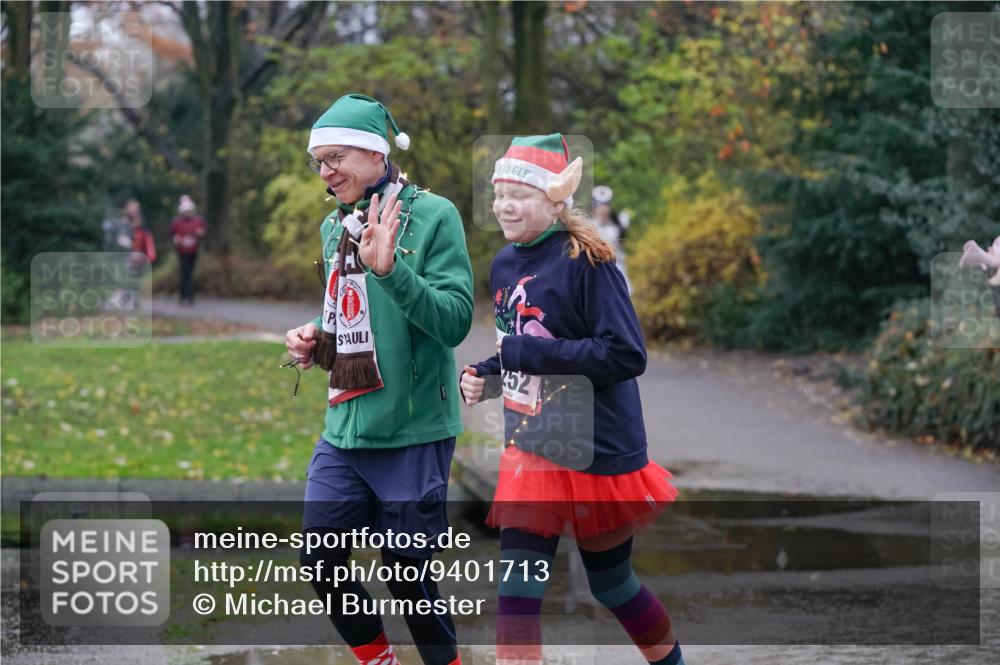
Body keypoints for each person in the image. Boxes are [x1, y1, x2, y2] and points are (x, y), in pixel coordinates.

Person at [460, 135, 684, 665]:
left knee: (613, 587)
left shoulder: (590, 261)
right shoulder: (503, 264)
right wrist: (488, 374)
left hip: (594, 445)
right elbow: (522, 350)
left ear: (555, 202)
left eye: (521, 194)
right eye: (499, 194)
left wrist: (525, 356)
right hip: (534, 446)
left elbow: (626, 355)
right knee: (517, 597)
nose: (505, 205)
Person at [285, 94, 474, 665]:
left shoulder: (436, 216)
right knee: (320, 561)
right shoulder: (332, 225)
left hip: (413, 432)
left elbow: (454, 321)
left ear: (374, 153)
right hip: (344, 428)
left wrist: (390, 272)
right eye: (319, 161)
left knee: (409, 581)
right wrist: (314, 337)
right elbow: (350, 316)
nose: (325, 171)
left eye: (335, 156)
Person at [592, 185, 632, 294]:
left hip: (618, 271)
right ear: (594, 208)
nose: (604, 210)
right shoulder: (589, 227)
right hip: (599, 276)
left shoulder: (616, 225)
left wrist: (622, 227)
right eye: (600, 206)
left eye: (606, 205)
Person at [170, 195, 206, 305]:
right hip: (182, 251)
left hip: (193, 251)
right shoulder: (176, 222)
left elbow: (203, 233)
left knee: (190, 273)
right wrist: (175, 239)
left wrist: (200, 234)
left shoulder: (198, 221)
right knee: (184, 272)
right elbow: (172, 234)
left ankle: (190, 295)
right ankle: (184, 295)